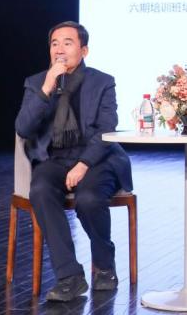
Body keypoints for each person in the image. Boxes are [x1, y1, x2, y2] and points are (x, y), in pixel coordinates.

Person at [15, 21, 132, 302]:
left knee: (88, 198)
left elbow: (106, 129)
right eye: (54, 44)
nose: (59, 50)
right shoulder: (37, 83)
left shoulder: (102, 82)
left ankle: (104, 264)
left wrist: (83, 164)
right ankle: (69, 276)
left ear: (84, 50)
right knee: (40, 191)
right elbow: (23, 128)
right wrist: (46, 88)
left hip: (97, 158)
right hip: (55, 158)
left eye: (67, 43)